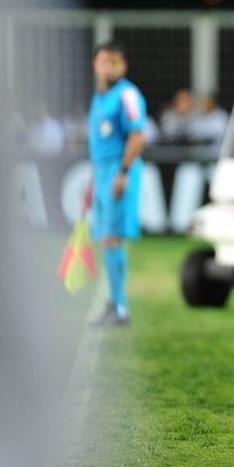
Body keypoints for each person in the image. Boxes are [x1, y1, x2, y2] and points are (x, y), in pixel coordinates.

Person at [87, 41, 148, 327]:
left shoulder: (128, 95)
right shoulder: (99, 98)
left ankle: (119, 307)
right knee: (105, 237)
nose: (108, 67)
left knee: (112, 237)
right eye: (103, 61)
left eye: (115, 62)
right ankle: (115, 303)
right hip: (102, 172)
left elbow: (138, 136)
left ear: (123, 66)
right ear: (96, 64)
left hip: (119, 169)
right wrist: (92, 184)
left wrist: (123, 172)